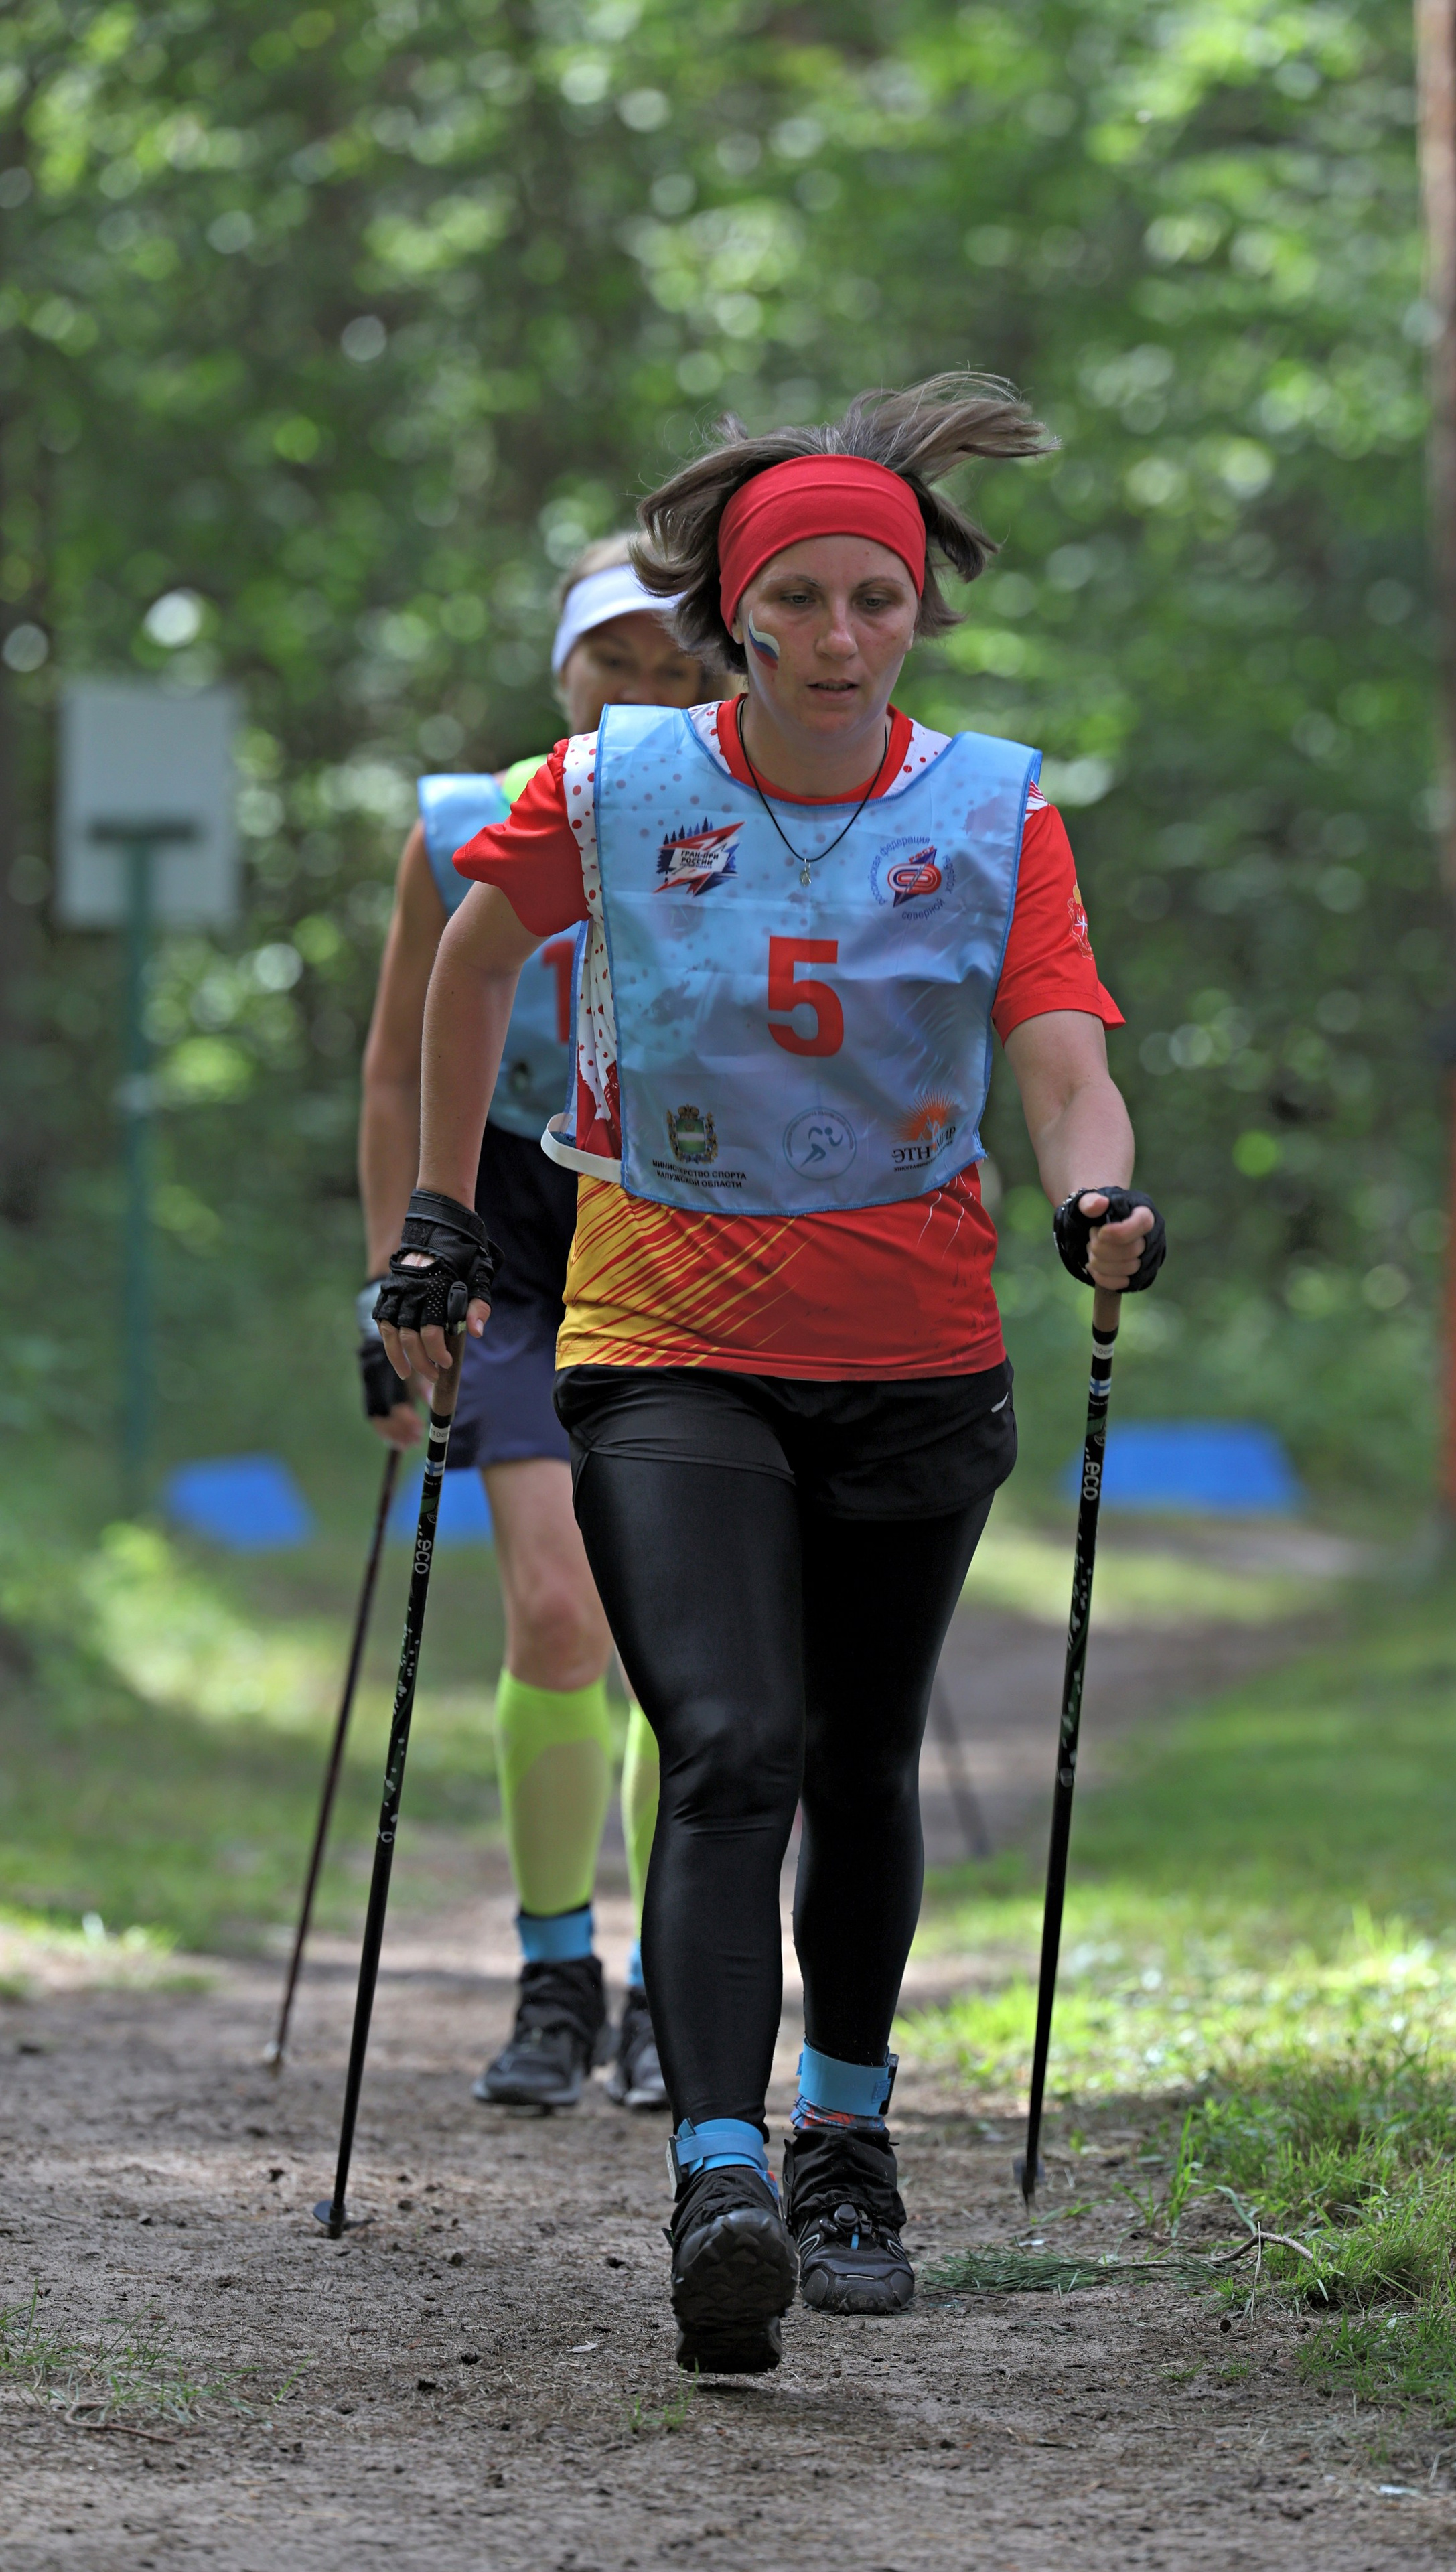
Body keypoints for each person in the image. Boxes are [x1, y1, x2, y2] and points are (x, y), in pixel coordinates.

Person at [375, 376, 1164, 2373]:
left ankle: (850, 2141)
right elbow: (474, 967)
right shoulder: (627, 785)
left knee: (859, 1757)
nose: (836, 641)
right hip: (667, 1344)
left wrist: (1095, 1198)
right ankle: (721, 2175)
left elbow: (1060, 1050)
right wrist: (439, 1217)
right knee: (729, 1739)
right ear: (737, 617)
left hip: (914, 1351)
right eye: (797, 602)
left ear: (917, 617)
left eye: (872, 605)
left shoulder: (995, 809)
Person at [358, 535, 727, 2115]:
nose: (641, 696)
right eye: (612, 664)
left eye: (674, 667)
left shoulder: (751, 814)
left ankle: (668, 1983)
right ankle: (554, 1974)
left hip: (677, 1225)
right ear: (559, 667)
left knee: (678, 1643)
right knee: (558, 1613)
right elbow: (390, 1073)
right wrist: (392, 1284)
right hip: (500, 1227)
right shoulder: (460, 828)